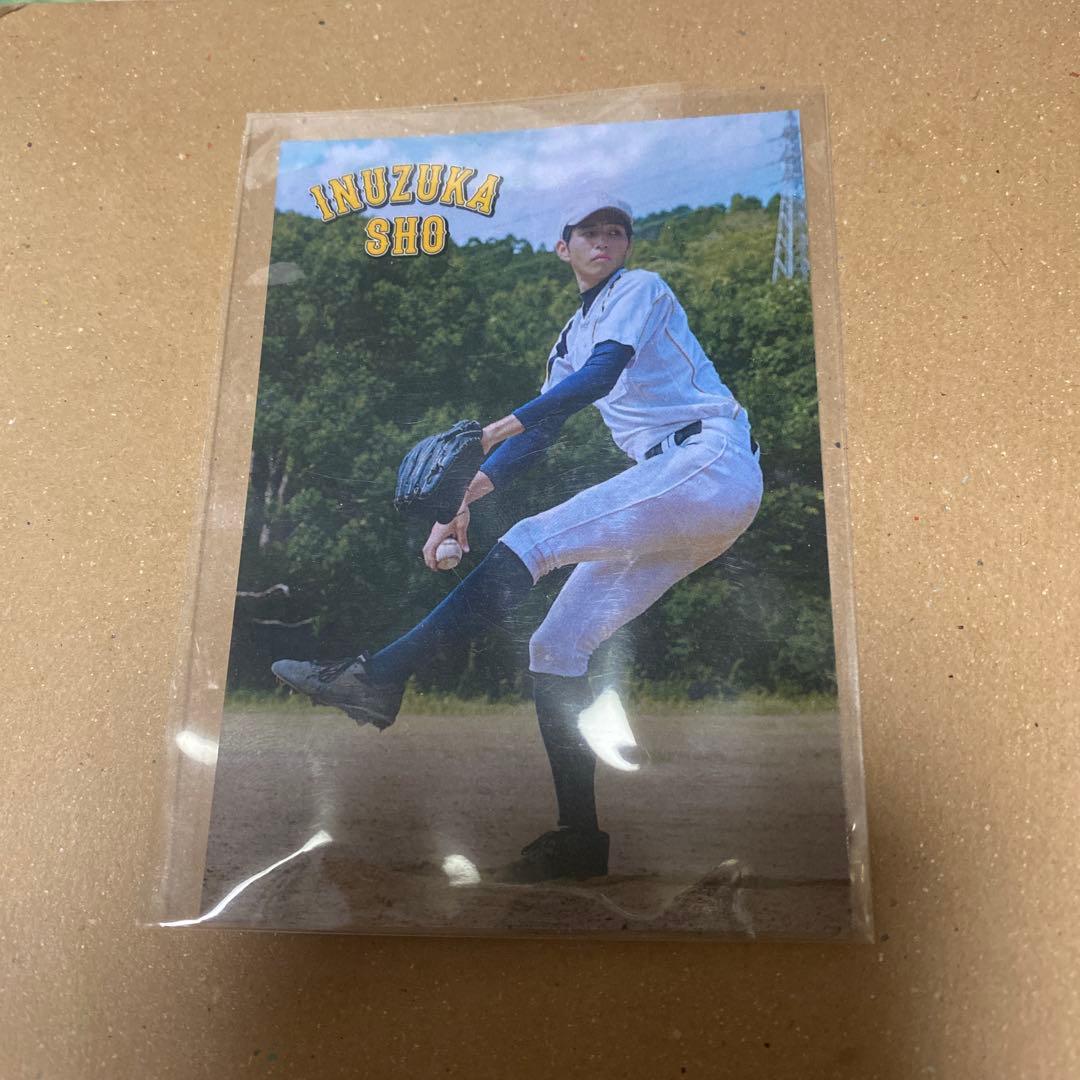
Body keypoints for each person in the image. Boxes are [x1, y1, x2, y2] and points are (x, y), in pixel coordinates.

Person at [272, 192, 763, 883]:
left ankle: (379, 675)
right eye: (588, 232)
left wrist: (487, 433)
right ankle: (579, 838)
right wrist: (463, 499)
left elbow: (600, 378)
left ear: (627, 246)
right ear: (562, 247)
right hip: (682, 489)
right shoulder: (568, 338)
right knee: (556, 646)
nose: (604, 240)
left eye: (616, 231)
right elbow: (540, 431)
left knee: (534, 538)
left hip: (707, 461)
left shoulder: (640, 289)